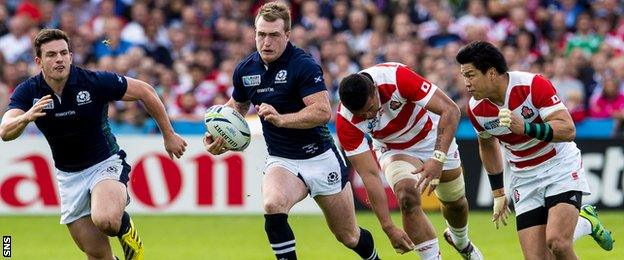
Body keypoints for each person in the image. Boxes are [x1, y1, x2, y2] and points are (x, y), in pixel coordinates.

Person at [204, 3, 380, 260]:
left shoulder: (304, 65)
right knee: (272, 205)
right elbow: (236, 109)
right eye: (261, 34)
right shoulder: (245, 70)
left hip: (320, 157)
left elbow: (322, 112)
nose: (266, 42)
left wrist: (282, 119)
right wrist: (218, 134)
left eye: (274, 35)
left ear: (287, 35)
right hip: (282, 160)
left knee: (349, 236)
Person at [0, 29, 187, 260]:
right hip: (68, 177)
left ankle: (127, 232)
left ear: (71, 55)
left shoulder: (92, 81)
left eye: (63, 53)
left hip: (105, 163)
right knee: (97, 255)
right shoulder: (29, 91)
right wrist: (25, 117)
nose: (59, 59)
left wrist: (168, 135)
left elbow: (145, 91)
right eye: (51, 55)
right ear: (38, 61)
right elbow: (5, 131)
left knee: (106, 220)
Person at [456, 41, 614, 259]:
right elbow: (487, 144)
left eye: (471, 75)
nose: (466, 83)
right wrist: (498, 193)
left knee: (558, 243)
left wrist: (526, 128)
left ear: (491, 73)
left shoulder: (532, 85)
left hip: (559, 166)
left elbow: (567, 129)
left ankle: (586, 222)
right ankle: (585, 221)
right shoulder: (476, 109)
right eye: (464, 76)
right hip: (524, 177)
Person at [337, 62, 484, 260]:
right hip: (393, 148)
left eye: (370, 108)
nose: (369, 116)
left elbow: (451, 110)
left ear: (374, 89)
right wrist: (388, 227)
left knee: (455, 203)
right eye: (361, 114)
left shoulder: (396, 78)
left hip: (431, 134)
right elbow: (369, 175)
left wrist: (438, 158)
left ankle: (461, 242)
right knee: (406, 196)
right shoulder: (345, 120)